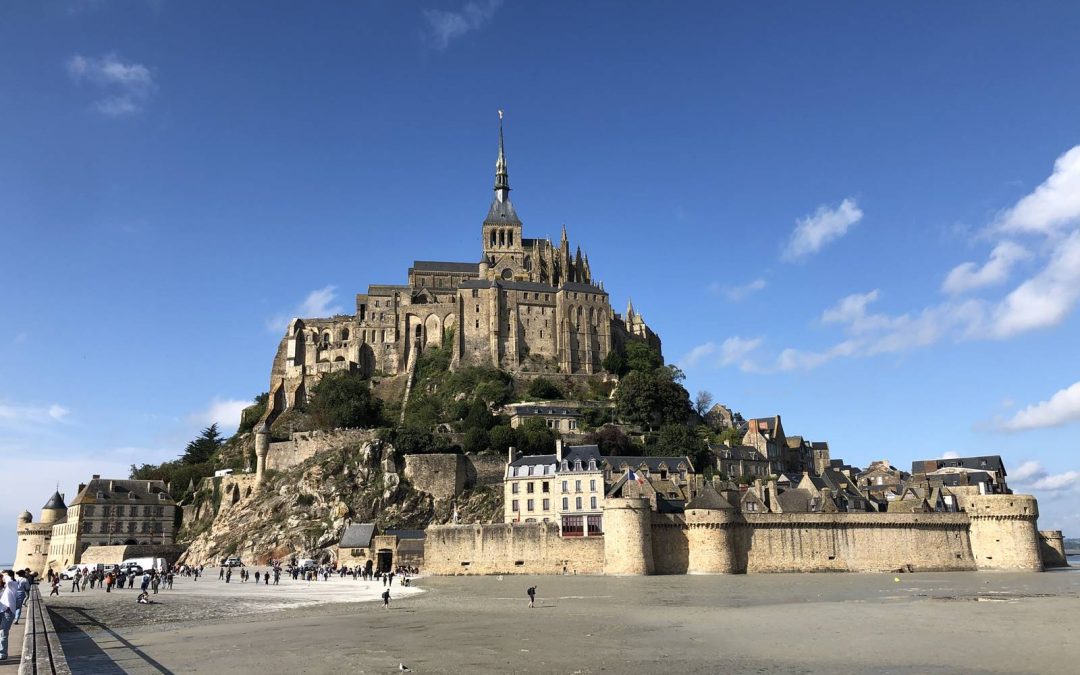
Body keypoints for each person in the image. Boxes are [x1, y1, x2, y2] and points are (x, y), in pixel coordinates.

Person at [1, 570, 19, 661]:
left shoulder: (12, 585)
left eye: (4, 576)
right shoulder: (3, 587)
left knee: (3, 632)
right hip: (1, 611)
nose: (3, 578)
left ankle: (2, 654)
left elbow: (9, 580)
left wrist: (4, 574)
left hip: (7, 612)